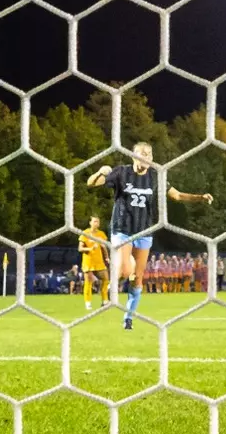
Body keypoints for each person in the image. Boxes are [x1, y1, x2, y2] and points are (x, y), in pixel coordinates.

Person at [86, 141, 216, 331]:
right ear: (133, 156)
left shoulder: (156, 176)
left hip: (144, 231)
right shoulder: (121, 172)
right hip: (122, 229)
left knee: (137, 279)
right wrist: (101, 172)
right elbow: (91, 184)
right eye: (140, 153)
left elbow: (177, 196)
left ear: (151, 159)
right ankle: (113, 283)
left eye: (148, 154)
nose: (144, 156)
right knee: (123, 271)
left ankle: (128, 318)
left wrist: (200, 198)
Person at [78, 216, 109, 309]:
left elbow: (104, 247)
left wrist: (107, 257)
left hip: (99, 262)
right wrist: (90, 249)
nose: (97, 223)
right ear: (90, 223)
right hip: (88, 262)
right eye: (95, 221)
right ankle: (88, 303)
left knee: (106, 279)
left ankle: (104, 301)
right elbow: (80, 248)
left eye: (98, 222)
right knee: (88, 281)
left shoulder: (101, 234)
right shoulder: (85, 233)